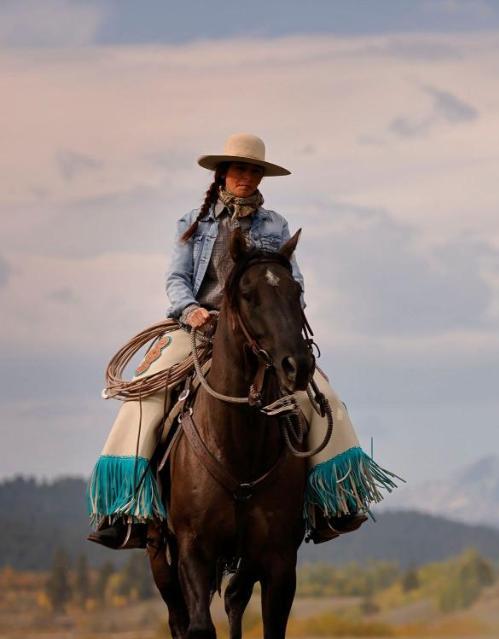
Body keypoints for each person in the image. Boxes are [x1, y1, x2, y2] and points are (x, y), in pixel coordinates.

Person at [87, 133, 397, 549]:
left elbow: (293, 279)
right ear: (222, 174)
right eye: (239, 169)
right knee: (146, 395)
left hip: (261, 335)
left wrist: (282, 315)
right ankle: (124, 509)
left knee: (323, 398)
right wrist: (191, 310)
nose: (246, 177)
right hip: (200, 328)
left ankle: (335, 503)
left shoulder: (276, 225)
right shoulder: (192, 223)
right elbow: (177, 279)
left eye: (254, 170)